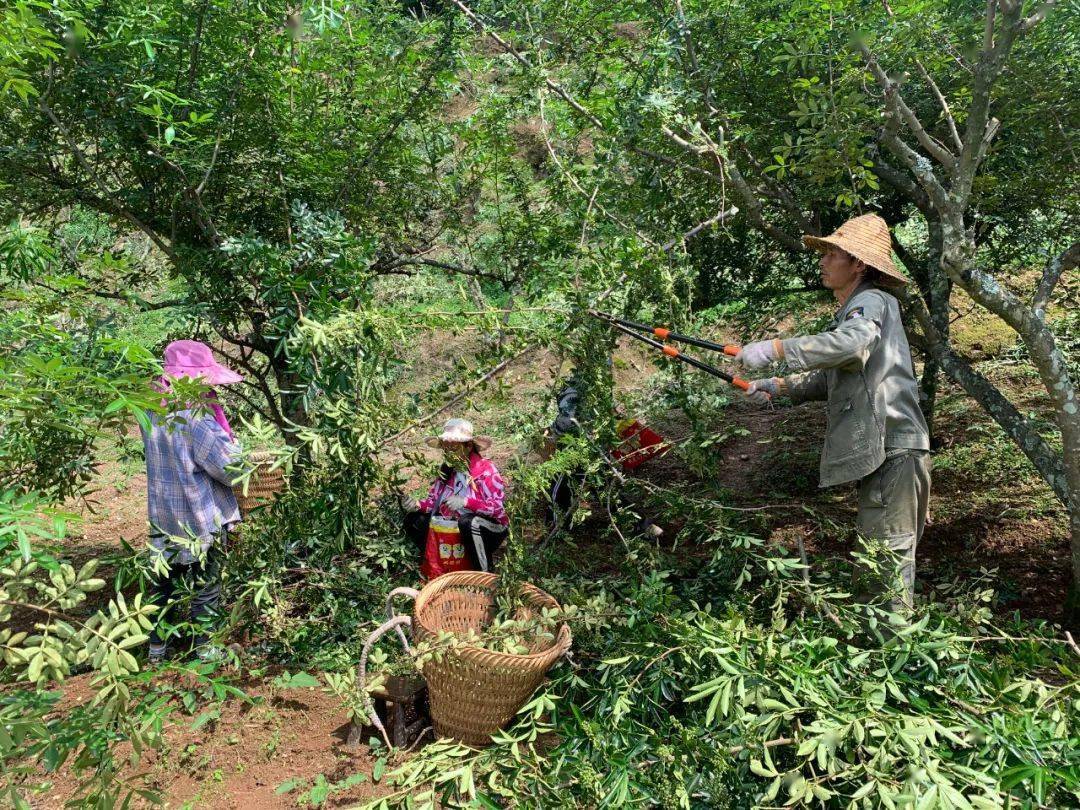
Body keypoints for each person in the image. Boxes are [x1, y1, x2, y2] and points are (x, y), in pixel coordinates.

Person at [735, 214, 930, 612]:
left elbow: (850, 346)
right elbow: (837, 377)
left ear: (858, 263)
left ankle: (894, 660)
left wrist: (777, 349)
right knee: (876, 564)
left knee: (884, 570)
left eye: (832, 253)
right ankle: (884, 658)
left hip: (894, 450)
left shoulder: (870, 302)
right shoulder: (858, 308)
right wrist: (779, 387)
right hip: (889, 453)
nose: (822, 261)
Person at [143, 340, 243, 662]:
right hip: (199, 519)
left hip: (164, 516)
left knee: (163, 586)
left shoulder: (152, 412)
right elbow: (229, 470)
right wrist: (236, 448)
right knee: (206, 587)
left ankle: (156, 649)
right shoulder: (196, 420)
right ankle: (205, 649)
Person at [403, 418, 509, 575]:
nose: (449, 452)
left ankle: (484, 574)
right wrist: (417, 505)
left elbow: (497, 509)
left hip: (488, 529)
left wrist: (466, 502)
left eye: (454, 447)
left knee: (469, 522)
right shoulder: (446, 472)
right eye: (446, 448)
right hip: (454, 529)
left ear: (469, 446)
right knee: (414, 520)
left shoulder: (486, 470)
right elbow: (433, 503)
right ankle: (438, 564)